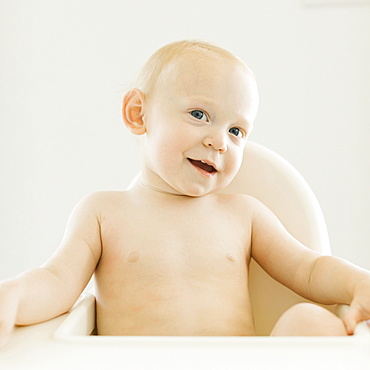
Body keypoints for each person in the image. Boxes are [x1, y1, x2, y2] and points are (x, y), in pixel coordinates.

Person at [0, 40, 369, 343]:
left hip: (240, 365)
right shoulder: (103, 213)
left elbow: (309, 267)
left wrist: (359, 284)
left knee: (310, 321)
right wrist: (13, 296)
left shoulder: (244, 214)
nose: (219, 141)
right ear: (137, 113)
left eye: (237, 131)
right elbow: (57, 282)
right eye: (199, 114)